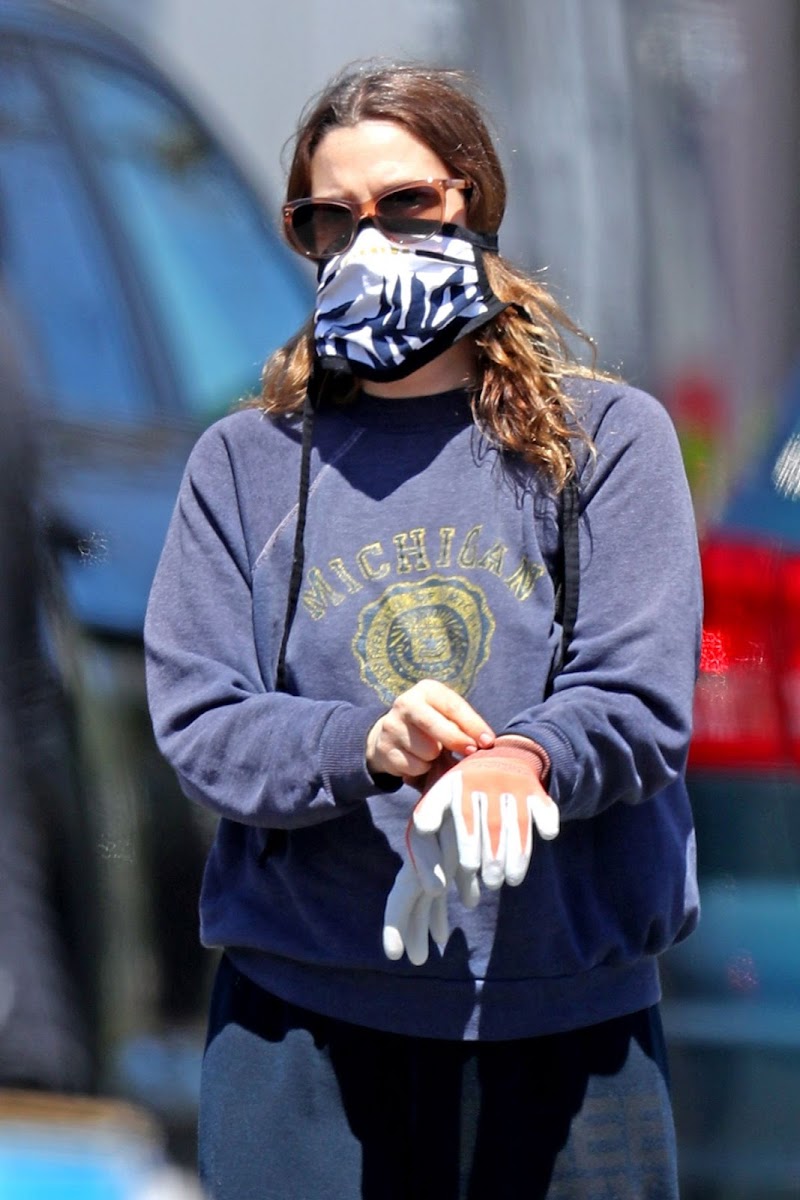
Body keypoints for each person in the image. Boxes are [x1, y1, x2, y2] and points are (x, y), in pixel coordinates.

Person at [144, 61, 702, 1200]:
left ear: (472, 199)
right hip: (303, 1027)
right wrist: (366, 745)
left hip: (564, 1024)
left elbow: (641, 695)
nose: (371, 241)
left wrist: (521, 756)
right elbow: (202, 720)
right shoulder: (245, 465)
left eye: (404, 203)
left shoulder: (606, 441)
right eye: (328, 218)